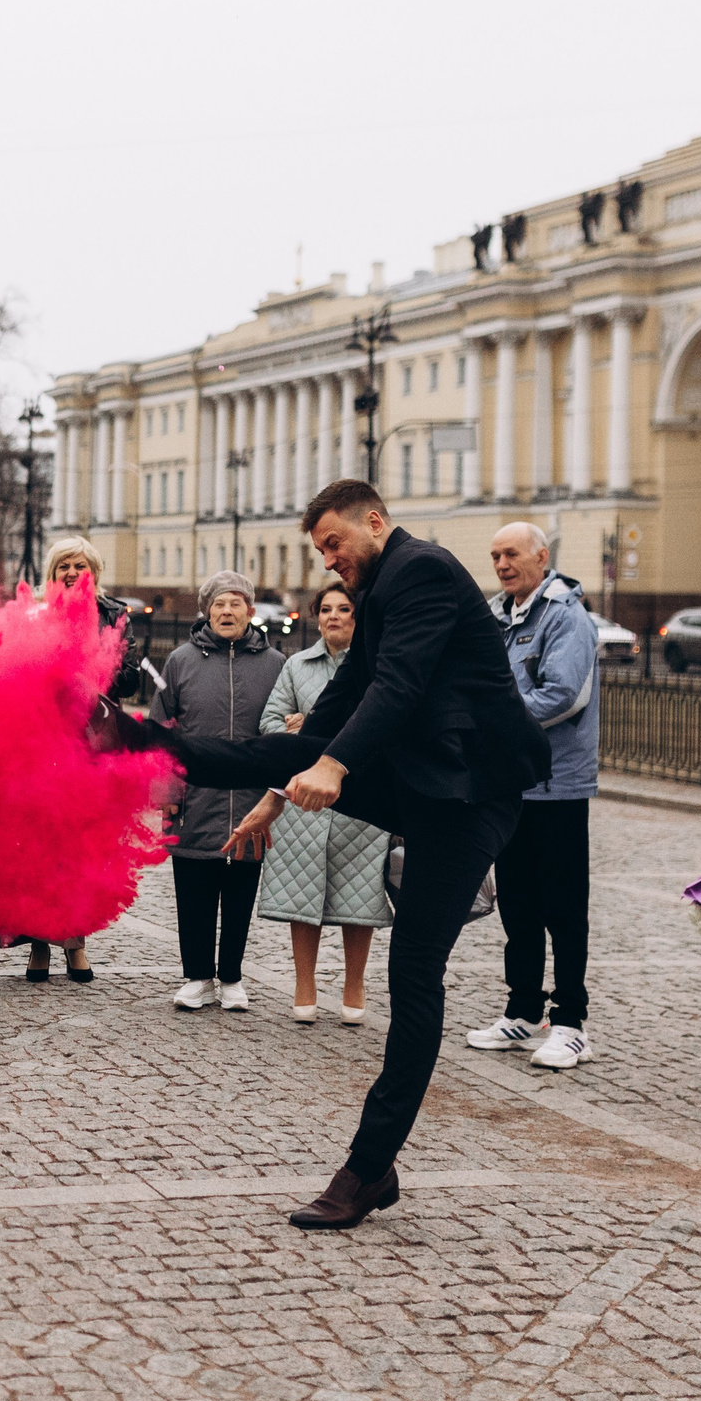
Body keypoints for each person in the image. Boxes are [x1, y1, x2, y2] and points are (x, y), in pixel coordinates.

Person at [144, 480, 549, 1230]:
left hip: (471, 790)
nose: (330, 560)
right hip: (422, 777)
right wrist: (274, 786)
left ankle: (369, 1168)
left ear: (374, 521)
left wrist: (333, 767)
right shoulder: (382, 591)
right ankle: (151, 747)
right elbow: (337, 708)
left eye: (335, 543)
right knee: (287, 743)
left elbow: (398, 687)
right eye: (321, 551)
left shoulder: (420, 570)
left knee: (414, 968)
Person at [468, 523, 603, 1069]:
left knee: (564, 908)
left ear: (541, 556)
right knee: (519, 905)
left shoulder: (566, 615)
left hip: (559, 786)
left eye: (512, 553)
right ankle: (523, 1010)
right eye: (495, 554)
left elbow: (564, 695)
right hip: (512, 785)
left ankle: (571, 1023)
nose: (502, 563)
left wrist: (493, 723)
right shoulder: (500, 616)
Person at [256, 582, 394, 1024]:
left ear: (359, 617)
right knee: (303, 894)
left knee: (361, 897)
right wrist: (297, 729)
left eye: (344, 609)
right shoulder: (297, 665)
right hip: (304, 800)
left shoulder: (376, 666)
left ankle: (355, 983)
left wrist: (319, 730)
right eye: (326, 610)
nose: (334, 616)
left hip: (361, 795)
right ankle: (304, 982)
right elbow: (270, 721)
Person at [153, 571, 285, 1013]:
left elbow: (284, 726)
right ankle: (196, 977)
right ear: (206, 611)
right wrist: (166, 790)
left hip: (251, 800)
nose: (227, 612)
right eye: (218, 605)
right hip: (193, 798)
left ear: (250, 610)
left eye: (236, 604)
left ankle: (230, 976)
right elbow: (161, 730)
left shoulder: (276, 665)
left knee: (241, 892)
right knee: (194, 890)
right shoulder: (180, 662)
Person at [24, 535, 120, 984]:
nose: (71, 573)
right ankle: (39, 946)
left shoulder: (112, 616)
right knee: (39, 849)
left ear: (94, 572)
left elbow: (128, 677)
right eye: (63, 565)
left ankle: (75, 945)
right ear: (51, 571)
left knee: (78, 851)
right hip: (39, 744)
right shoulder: (35, 614)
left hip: (89, 745)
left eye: (80, 565)